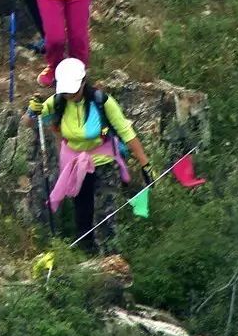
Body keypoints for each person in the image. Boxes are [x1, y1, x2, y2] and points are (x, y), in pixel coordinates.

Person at [28, 58, 153, 254]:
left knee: (105, 214)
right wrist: (32, 111)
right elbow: (30, 121)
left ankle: (110, 257)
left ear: (83, 82)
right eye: (66, 91)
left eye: (73, 90)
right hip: (76, 165)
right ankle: (87, 259)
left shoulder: (101, 101)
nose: (69, 95)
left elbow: (126, 133)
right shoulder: (58, 102)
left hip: (104, 163)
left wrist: (145, 164)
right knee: (82, 214)